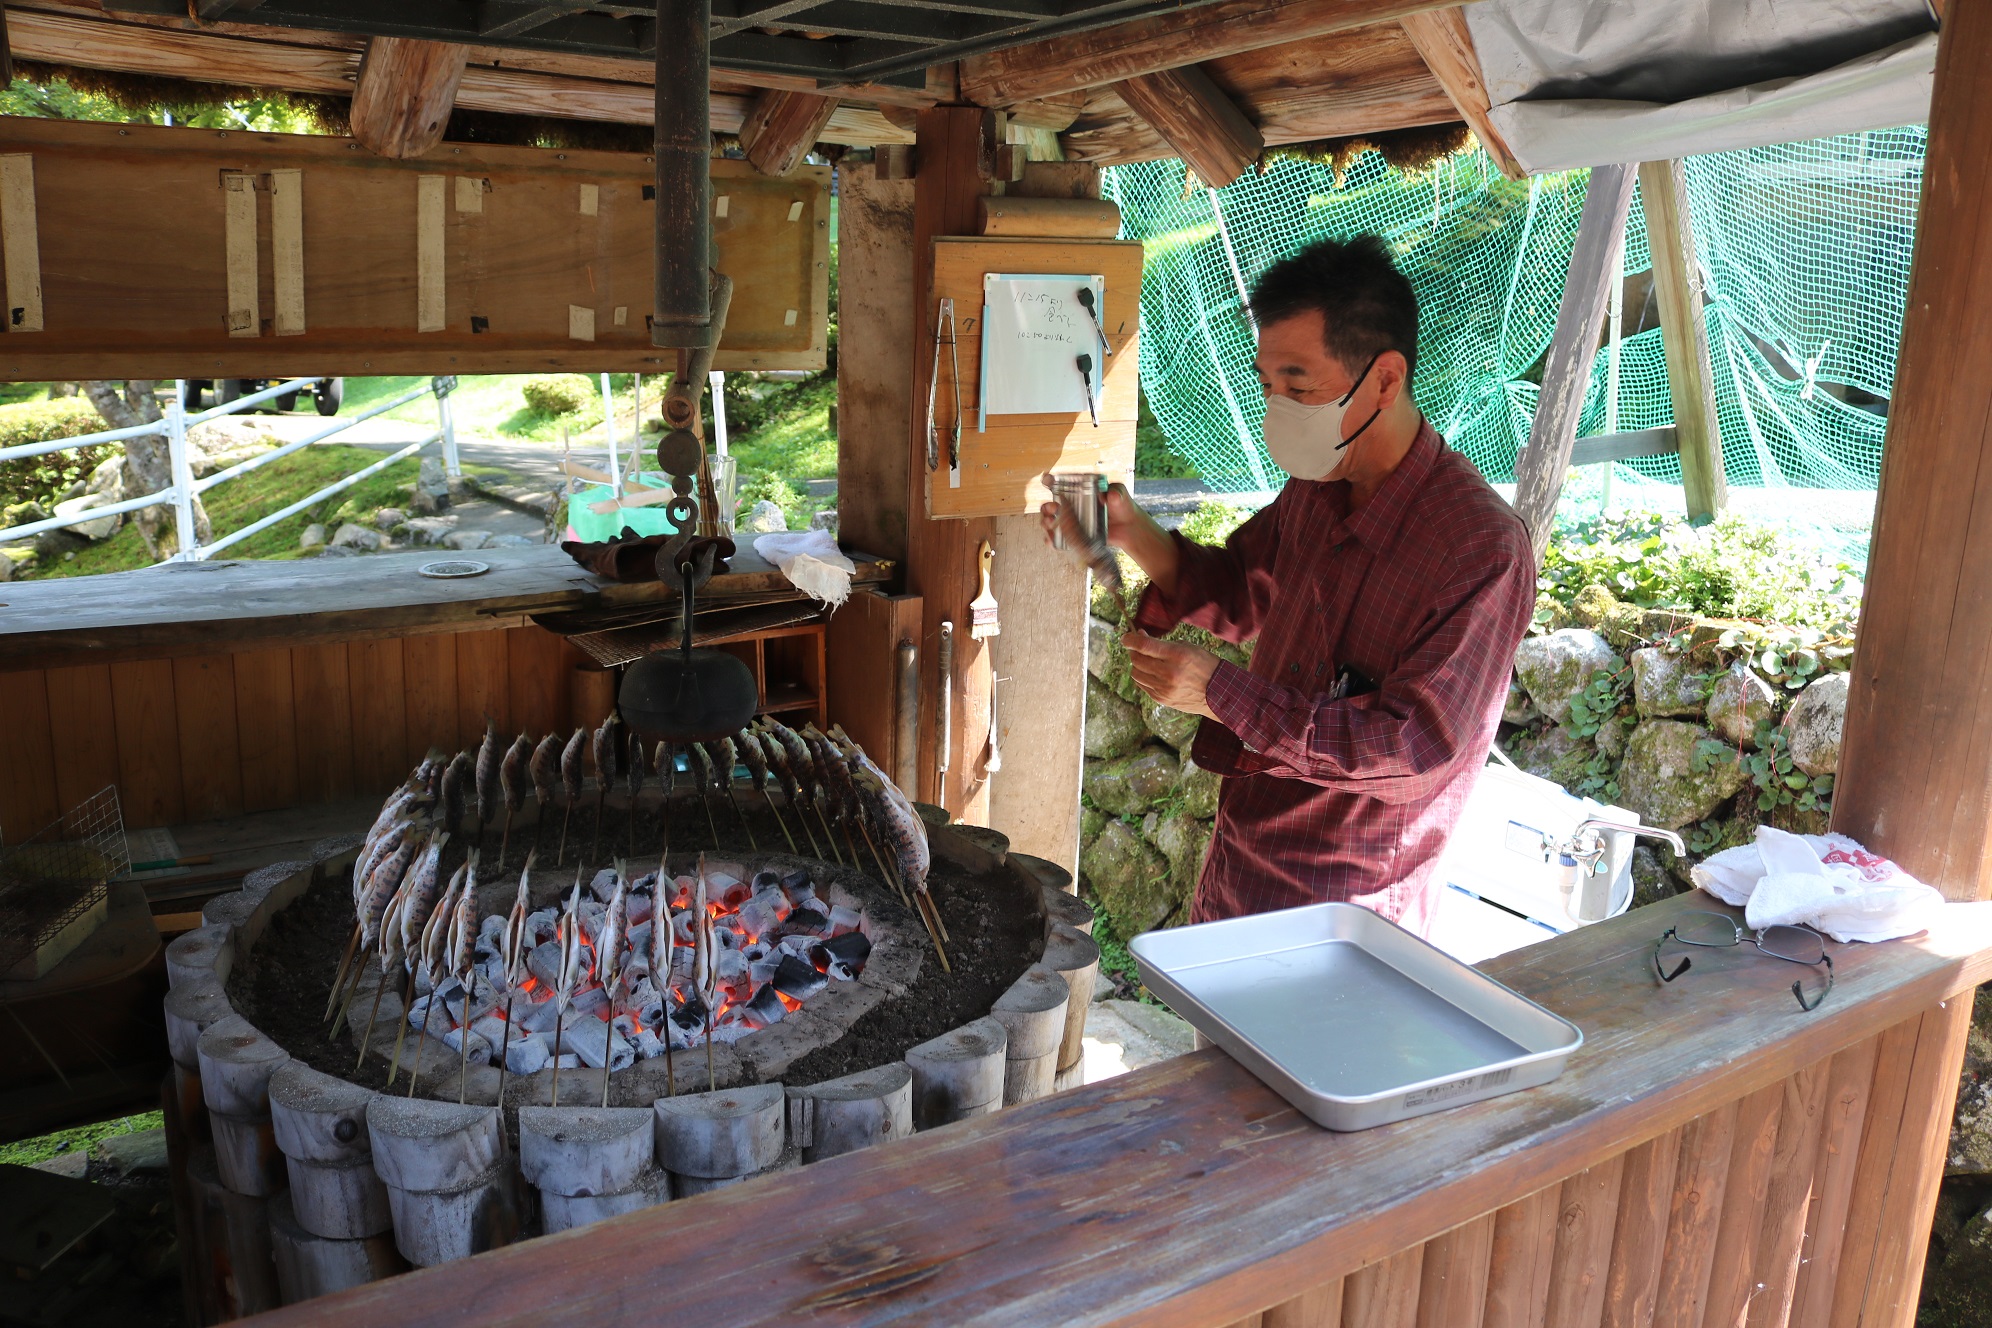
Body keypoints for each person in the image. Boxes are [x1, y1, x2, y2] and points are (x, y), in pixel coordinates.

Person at [1043, 235, 1535, 935]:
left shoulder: (1476, 549)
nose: (1280, 408)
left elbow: (1412, 750)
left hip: (1347, 912)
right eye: (1269, 386)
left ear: (1386, 380)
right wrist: (1130, 531)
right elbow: (1245, 593)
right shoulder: (1316, 487)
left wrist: (1221, 692)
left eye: (1300, 388)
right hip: (1241, 866)